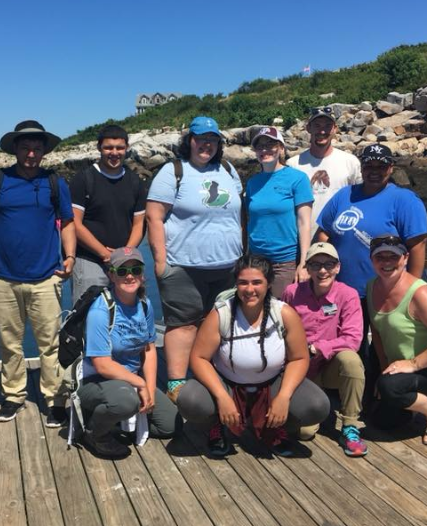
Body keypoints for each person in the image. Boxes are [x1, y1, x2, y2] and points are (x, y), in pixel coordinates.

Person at [177, 255, 330, 457]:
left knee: (317, 406)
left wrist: (284, 396)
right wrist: (222, 396)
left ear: (268, 284)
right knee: (190, 400)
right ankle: (216, 425)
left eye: (257, 282)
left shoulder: (283, 313)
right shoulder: (221, 314)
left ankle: (277, 426)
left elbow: (299, 358)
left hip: (271, 381)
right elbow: (199, 357)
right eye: (243, 283)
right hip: (229, 382)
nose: (250, 290)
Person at [146, 116, 243, 403]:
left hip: (227, 265)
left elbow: (238, 213)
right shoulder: (173, 171)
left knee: (219, 325)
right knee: (183, 324)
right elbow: (154, 216)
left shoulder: (227, 169)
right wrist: (160, 263)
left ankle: (212, 374)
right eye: (201, 139)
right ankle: (176, 381)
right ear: (189, 141)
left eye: (212, 140)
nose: (206, 144)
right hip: (184, 265)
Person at [0, 120, 76, 427]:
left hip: (45, 275)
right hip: (3, 277)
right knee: (9, 343)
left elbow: (67, 221)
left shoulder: (55, 182)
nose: (30, 153)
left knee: (50, 343)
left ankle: (55, 399)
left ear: (44, 151)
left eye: (37, 148)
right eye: (25, 147)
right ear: (15, 149)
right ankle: (13, 395)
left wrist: (70, 256)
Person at [316, 143, 427, 344]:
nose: (374, 172)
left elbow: (418, 246)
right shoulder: (344, 195)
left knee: (384, 348)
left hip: (385, 292)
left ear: (391, 168)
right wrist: (320, 270)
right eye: (369, 166)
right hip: (344, 291)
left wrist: (410, 290)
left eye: (381, 167)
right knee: (347, 346)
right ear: (361, 168)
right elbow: (324, 233)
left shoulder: (405, 200)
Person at [77, 247, 180, 458]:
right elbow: (102, 365)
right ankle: (95, 433)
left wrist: (150, 388)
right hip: (97, 381)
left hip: (132, 380)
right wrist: (140, 383)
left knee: (171, 425)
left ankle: (119, 422)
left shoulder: (144, 305)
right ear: (111, 275)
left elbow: (149, 349)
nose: (130, 275)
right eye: (122, 271)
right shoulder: (100, 310)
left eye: (136, 269)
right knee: (125, 402)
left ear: (143, 274)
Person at [366, 235, 427, 447]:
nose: (386, 262)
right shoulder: (371, 287)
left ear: (405, 258)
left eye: (392, 256)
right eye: (379, 257)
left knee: (390, 388)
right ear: (371, 260)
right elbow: (378, 334)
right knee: (381, 421)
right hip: (408, 370)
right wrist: (385, 369)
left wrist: (412, 365)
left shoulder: (420, 293)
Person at [282, 242, 367, 457]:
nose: (322, 270)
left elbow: (353, 338)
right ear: (307, 268)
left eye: (329, 264)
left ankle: (350, 425)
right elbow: (280, 330)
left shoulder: (348, 295)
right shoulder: (291, 292)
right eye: (316, 264)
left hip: (329, 366)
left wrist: (318, 348)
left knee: (351, 360)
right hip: (301, 369)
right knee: (303, 433)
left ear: (338, 267)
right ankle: (319, 406)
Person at [69, 124, 147, 303]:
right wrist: (105, 254)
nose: (114, 152)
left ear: (126, 148)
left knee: (131, 312)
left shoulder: (134, 181)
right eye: (108, 147)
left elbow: (139, 224)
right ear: (99, 148)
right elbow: (75, 224)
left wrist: (124, 255)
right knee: (87, 314)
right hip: (90, 259)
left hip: (125, 261)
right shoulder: (83, 180)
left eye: (119, 148)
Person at [244, 126, 313, 295]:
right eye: (260, 146)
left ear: (281, 148)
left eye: (270, 144)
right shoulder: (253, 182)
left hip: (285, 262)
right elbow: (249, 221)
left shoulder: (297, 178)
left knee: (281, 312)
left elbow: (304, 223)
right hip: (256, 261)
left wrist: (304, 263)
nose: (265, 150)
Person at [288, 106, 361, 239]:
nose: (322, 131)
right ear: (308, 128)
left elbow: (361, 201)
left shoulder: (351, 162)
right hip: (302, 242)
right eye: (317, 125)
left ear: (335, 129)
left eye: (328, 126)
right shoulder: (293, 164)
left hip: (340, 240)